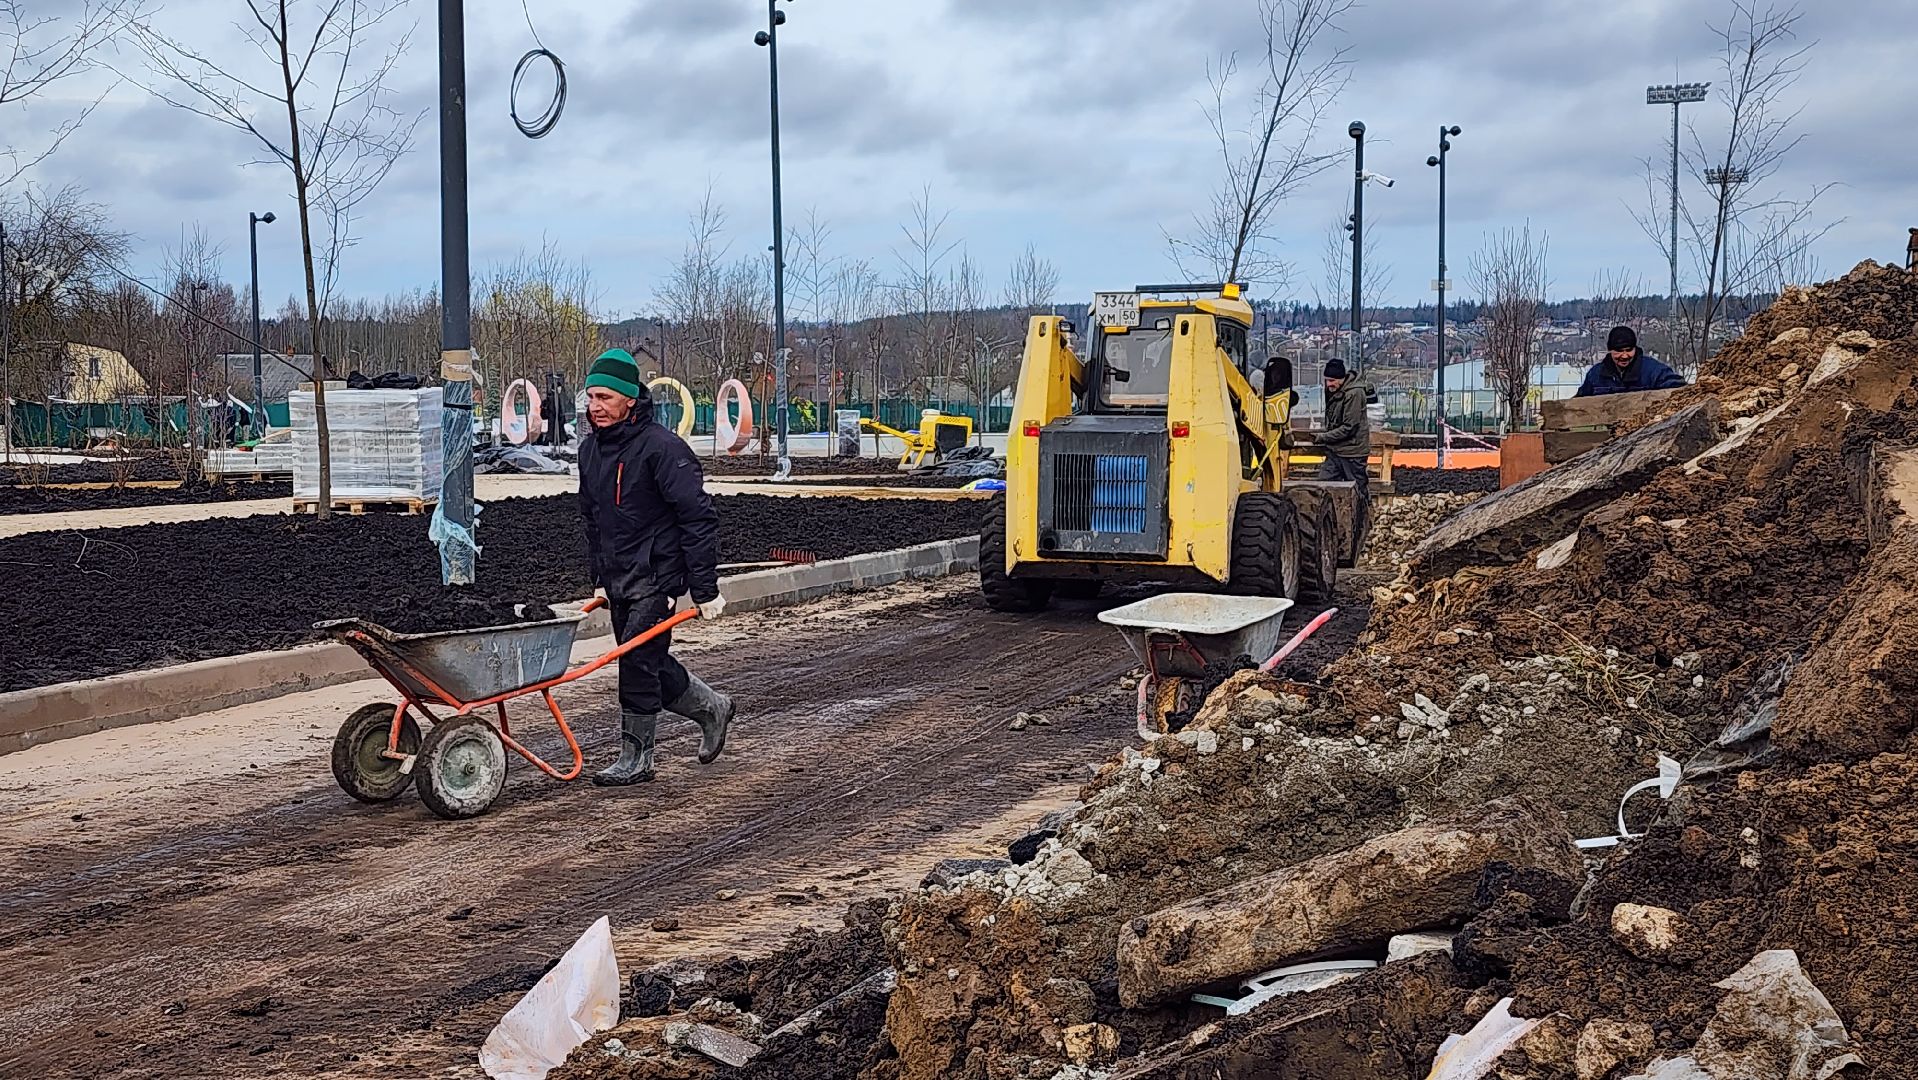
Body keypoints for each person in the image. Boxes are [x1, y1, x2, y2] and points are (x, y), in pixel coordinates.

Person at [577, 348, 733, 786]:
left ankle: (636, 757)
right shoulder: (589, 452)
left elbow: (697, 518)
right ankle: (712, 707)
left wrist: (704, 588)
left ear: (630, 399)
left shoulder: (664, 449)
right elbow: (592, 520)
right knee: (647, 659)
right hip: (619, 577)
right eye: (591, 397)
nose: (595, 407)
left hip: (657, 579)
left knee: (637, 664)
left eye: (605, 397)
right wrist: (598, 579)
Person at [1312, 358, 1372, 528]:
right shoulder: (1335, 391)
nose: (1328, 384)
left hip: (1352, 452)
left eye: (1332, 380)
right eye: (1326, 380)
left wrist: (1323, 437)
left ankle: (1364, 522)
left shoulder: (1354, 394)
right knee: (1322, 485)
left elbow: (1349, 427)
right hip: (1336, 450)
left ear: (1341, 379)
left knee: (1358, 489)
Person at [1576, 326, 1686, 397]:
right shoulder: (1596, 374)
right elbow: (1577, 403)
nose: (1624, 356)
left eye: (1629, 350)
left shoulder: (1653, 371)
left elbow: (1679, 390)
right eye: (1619, 351)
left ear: (1635, 348)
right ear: (1610, 350)